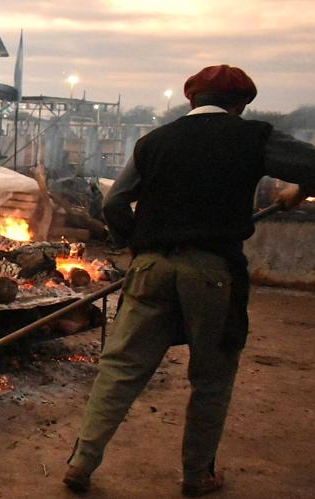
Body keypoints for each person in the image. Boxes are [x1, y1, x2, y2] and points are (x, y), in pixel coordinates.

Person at [63, 65, 315, 496]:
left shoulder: (154, 142)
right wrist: (299, 190)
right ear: (240, 104)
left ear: (192, 100)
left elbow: (114, 203)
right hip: (213, 272)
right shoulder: (253, 137)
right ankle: (197, 476)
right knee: (211, 378)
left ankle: (81, 462)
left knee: (121, 369)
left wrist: (136, 245)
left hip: (151, 268)